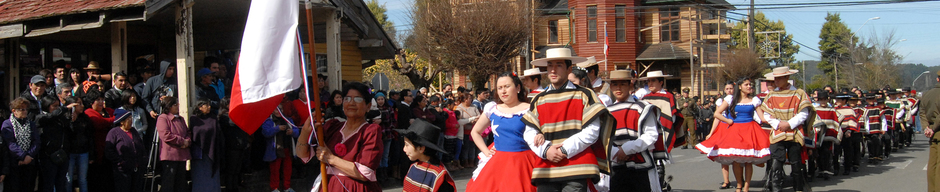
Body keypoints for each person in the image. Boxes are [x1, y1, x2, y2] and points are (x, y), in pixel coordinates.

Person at [522, 47, 613, 191]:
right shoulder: (538, 99)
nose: (553, 70)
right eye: (550, 65)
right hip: (547, 166)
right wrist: (546, 150)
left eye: (559, 65)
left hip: (576, 165)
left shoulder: (585, 94)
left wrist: (564, 150)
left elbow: (592, 131)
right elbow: (529, 132)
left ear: (569, 68)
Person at [296, 82, 383, 192]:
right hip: (329, 185)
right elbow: (303, 155)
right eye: (347, 98)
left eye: (358, 99)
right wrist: (305, 131)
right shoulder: (332, 127)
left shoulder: (370, 131)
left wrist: (331, 158)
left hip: (356, 188)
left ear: (368, 106)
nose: (351, 103)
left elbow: (364, 173)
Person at [465, 72, 541, 192]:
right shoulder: (493, 109)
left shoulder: (530, 108)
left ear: (518, 88)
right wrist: (486, 151)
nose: (503, 91)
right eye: (500, 88)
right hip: (498, 162)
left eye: (507, 86)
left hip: (524, 162)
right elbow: (475, 132)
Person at [697, 77, 770, 192]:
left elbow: (762, 118)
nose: (749, 86)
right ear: (740, 87)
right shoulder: (731, 99)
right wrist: (729, 121)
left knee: (748, 160)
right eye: (746, 84)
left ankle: (746, 187)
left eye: (750, 84)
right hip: (735, 131)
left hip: (750, 130)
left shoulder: (754, 100)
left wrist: (777, 120)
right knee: (736, 159)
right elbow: (717, 113)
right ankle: (739, 186)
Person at [604, 70, 661, 191]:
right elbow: (602, 138)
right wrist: (615, 152)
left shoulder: (643, 107)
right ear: (610, 86)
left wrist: (626, 149)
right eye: (615, 84)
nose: (618, 88)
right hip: (615, 165)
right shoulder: (606, 112)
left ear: (630, 85)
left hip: (641, 166)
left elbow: (651, 135)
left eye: (623, 84)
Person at [760, 66, 814, 192]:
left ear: (787, 78)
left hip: (794, 132)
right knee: (776, 161)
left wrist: (789, 124)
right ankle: (776, 188)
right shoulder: (772, 95)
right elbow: (767, 114)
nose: (776, 81)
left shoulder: (799, 93)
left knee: (796, 162)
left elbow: (804, 113)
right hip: (778, 131)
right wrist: (778, 124)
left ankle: (798, 188)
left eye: (779, 78)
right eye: (775, 79)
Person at [397, 119, 455, 192]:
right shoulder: (413, 167)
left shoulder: (439, 175)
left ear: (421, 148)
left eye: (407, 145)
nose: (404, 149)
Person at [2, 98, 39, 192]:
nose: (25, 111)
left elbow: (36, 141)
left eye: (26, 109)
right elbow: (11, 144)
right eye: (22, 109)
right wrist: (22, 156)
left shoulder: (31, 124)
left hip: (29, 163)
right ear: (14, 111)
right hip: (14, 163)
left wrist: (29, 156)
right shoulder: (7, 124)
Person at [105, 108, 146, 192]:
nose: (131, 120)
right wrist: (120, 162)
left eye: (131, 118)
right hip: (123, 170)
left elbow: (141, 146)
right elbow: (109, 151)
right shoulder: (114, 133)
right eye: (128, 119)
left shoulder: (133, 131)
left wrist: (143, 159)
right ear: (122, 122)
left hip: (137, 168)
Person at [37, 96, 72, 192]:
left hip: (62, 155)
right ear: (47, 106)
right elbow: (51, 117)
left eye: (58, 106)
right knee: (49, 184)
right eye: (54, 106)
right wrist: (64, 108)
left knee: (61, 183)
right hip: (48, 156)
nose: (57, 109)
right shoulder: (41, 118)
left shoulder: (61, 119)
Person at [83, 90, 116, 192]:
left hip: (111, 148)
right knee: (98, 176)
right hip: (97, 149)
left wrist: (112, 119)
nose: (101, 102)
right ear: (91, 102)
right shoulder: (89, 112)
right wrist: (113, 120)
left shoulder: (109, 110)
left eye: (102, 99)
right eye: (98, 100)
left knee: (109, 175)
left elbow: (120, 115)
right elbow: (99, 123)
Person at [156, 97, 191, 192]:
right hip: (170, 156)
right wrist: (181, 141)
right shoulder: (163, 118)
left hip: (182, 155)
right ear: (169, 106)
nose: (178, 106)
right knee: (169, 182)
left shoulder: (181, 119)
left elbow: (188, 132)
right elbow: (166, 135)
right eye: (175, 104)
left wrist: (188, 141)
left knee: (180, 183)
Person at [262, 105, 299, 192]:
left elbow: (297, 131)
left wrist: (292, 132)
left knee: (288, 170)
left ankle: (287, 187)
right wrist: (277, 129)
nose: (278, 111)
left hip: (287, 148)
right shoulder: (269, 121)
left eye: (280, 109)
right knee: (275, 170)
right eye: (276, 109)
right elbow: (266, 133)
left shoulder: (288, 120)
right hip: (275, 150)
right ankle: (274, 188)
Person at [219, 99, 251, 192]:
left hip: (240, 145)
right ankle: (230, 188)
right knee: (231, 170)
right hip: (231, 147)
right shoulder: (224, 116)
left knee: (237, 170)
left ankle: (235, 187)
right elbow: (233, 123)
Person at [190, 100, 223, 192]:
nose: (209, 107)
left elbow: (218, 133)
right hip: (199, 152)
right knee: (200, 174)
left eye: (209, 105)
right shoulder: (193, 119)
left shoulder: (213, 118)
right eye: (206, 105)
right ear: (200, 107)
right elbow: (194, 133)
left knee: (211, 175)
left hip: (212, 149)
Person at [811, 91, 841, 180]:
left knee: (827, 153)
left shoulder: (831, 110)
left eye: (824, 100)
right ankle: (820, 170)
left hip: (828, 135)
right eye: (821, 100)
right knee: (818, 154)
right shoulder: (815, 110)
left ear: (827, 100)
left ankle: (826, 171)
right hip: (819, 135)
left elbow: (837, 120)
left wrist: (836, 132)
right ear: (818, 100)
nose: (823, 102)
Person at [920, 70, 940, 192]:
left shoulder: (926, 94)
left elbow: (922, 113)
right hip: (937, 129)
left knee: (932, 164)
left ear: (937, 79)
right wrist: (932, 129)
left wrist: (926, 128)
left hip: (932, 132)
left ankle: (932, 189)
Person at [832, 93, 859, 175]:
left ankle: (847, 168)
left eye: (839, 100)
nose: (837, 101)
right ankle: (836, 168)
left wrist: (849, 131)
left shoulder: (850, 110)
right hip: (837, 133)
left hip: (846, 132)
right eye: (836, 100)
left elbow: (852, 121)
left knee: (847, 151)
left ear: (844, 100)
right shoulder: (834, 109)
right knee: (835, 151)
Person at [455, 93, 480, 169]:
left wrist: (475, 120)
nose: (471, 100)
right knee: (466, 147)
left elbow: (479, 115)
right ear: (465, 100)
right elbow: (459, 119)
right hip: (464, 131)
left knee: (472, 147)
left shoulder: (474, 107)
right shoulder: (459, 108)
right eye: (469, 98)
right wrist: (470, 121)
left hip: (474, 130)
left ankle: (472, 161)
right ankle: (465, 161)